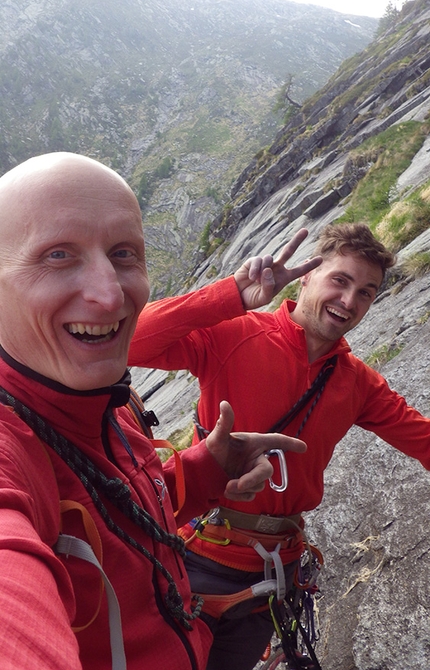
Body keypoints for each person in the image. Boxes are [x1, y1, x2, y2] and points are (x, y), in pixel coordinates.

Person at [0, 152, 309, 670]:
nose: (109, 293)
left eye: (124, 254)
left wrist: (206, 468)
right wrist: (232, 293)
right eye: (56, 256)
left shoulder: (107, 402)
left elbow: (118, 506)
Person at [128, 222, 430, 670]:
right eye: (340, 280)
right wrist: (230, 293)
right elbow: (131, 340)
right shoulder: (234, 333)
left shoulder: (358, 383)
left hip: (274, 571)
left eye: (366, 292)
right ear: (306, 275)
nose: (349, 301)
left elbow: (422, 438)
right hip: (198, 557)